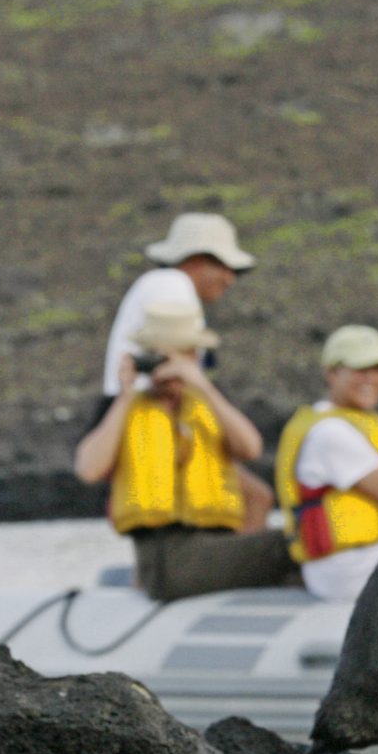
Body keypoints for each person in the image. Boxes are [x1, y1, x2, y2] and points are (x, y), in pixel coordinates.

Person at [72, 299, 294, 602]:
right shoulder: (130, 411)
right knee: (294, 543)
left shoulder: (204, 406)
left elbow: (251, 448)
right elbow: (88, 469)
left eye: (184, 354)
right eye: (162, 356)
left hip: (216, 547)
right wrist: (125, 395)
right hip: (168, 559)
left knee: (300, 547)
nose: (172, 366)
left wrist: (201, 384)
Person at [97, 212, 270, 532]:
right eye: (224, 267)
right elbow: (167, 359)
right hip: (153, 411)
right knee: (255, 497)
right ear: (196, 259)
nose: (230, 279)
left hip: (129, 408)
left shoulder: (156, 285)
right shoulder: (173, 288)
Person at [275, 326, 378, 602]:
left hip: (370, 554)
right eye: (360, 369)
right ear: (332, 373)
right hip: (344, 567)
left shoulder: (366, 423)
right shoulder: (330, 433)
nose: (371, 378)